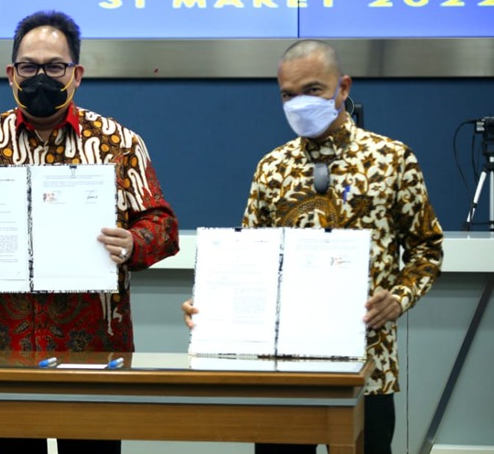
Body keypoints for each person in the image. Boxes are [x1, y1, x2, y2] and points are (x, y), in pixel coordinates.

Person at [0, 10, 179, 454]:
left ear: (76, 74)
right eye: (29, 67)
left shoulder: (119, 143)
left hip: (94, 351)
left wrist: (135, 243)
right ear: (11, 74)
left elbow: (164, 225)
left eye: (55, 67)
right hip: (1, 350)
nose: (41, 78)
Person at [183, 39, 443, 454]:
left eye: (313, 90)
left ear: (343, 87)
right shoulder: (272, 168)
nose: (299, 103)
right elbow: (247, 257)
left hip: (368, 365)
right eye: (288, 95)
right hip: (282, 372)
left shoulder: (393, 160)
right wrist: (211, 308)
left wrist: (399, 297)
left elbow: (427, 249)